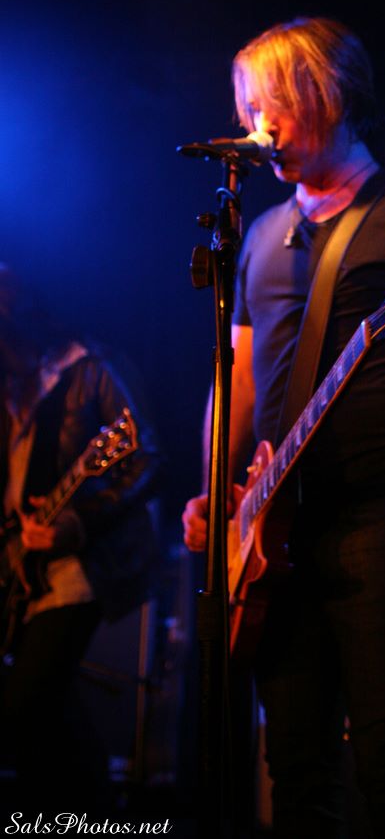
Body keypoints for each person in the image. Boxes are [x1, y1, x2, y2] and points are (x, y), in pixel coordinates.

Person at [183, 16, 385, 838]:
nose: (261, 126)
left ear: (328, 94)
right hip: (272, 531)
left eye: (274, 104)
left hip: (380, 516)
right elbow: (238, 380)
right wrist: (217, 496)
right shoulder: (258, 233)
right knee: (296, 772)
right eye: (250, 108)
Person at [0, 263, 162, 813]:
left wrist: (78, 521)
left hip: (79, 572)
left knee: (27, 706)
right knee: (46, 713)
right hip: (27, 574)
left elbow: (145, 460)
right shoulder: (17, 389)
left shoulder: (91, 369)